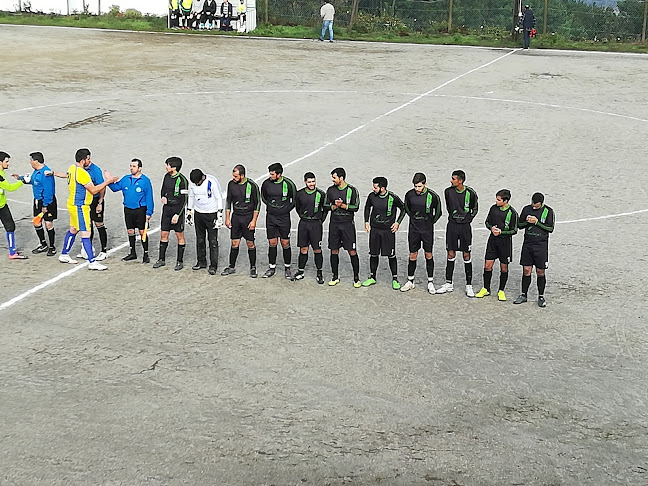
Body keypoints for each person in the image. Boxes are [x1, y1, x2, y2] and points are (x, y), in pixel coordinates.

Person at [58, 148, 117, 270]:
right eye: (88, 159)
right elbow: (94, 190)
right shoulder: (83, 174)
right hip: (81, 206)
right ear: (83, 160)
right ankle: (92, 262)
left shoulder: (71, 168)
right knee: (86, 233)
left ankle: (64, 254)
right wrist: (108, 181)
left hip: (71, 204)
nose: (89, 161)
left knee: (73, 229)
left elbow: (66, 176)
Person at [437, 170, 478, 297]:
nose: (451, 180)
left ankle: (469, 286)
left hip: (465, 227)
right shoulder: (448, 192)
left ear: (460, 181)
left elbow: (475, 209)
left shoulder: (471, 193)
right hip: (452, 226)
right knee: (450, 253)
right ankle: (448, 283)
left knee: (466, 254)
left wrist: (467, 219)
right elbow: (449, 207)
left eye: (453, 179)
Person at [401, 172, 442, 293]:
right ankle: (410, 281)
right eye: (415, 186)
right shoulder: (409, 194)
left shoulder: (433, 196)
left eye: (419, 186)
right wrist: (415, 219)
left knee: (428, 254)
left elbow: (438, 212)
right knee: (412, 254)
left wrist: (429, 223)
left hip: (427, 230)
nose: (417, 189)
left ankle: (430, 282)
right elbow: (407, 209)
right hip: (414, 229)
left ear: (425, 184)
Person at [362, 176, 405, 290]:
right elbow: (367, 207)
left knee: (391, 255)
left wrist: (397, 223)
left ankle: (395, 279)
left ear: (382, 188)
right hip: (375, 230)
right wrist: (366, 222)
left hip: (387, 231)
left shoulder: (393, 197)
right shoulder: (371, 196)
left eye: (375, 187)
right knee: (373, 254)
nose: (373, 189)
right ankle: (372, 277)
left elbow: (404, 208)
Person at [108, 158, 155, 263]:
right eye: (130, 166)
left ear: (140, 168)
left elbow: (149, 197)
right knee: (130, 231)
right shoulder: (126, 179)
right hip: (128, 209)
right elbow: (115, 188)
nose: (131, 168)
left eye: (134, 166)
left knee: (142, 231)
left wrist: (149, 212)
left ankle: (145, 253)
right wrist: (108, 181)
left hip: (140, 210)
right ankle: (132, 252)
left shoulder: (145, 181)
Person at [475, 189, 519, 301]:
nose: (496, 201)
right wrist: (491, 228)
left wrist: (501, 232)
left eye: (499, 200)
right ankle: (486, 288)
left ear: (505, 201)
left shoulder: (512, 213)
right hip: (492, 242)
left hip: (505, 244)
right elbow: (487, 222)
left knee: (504, 268)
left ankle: (501, 290)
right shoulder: (493, 208)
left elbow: (514, 230)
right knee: (487, 266)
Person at [514, 192, 555, 307]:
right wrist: (526, 222)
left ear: (541, 203)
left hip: (541, 246)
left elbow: (550, 228)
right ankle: (523, 295)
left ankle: (541, 296)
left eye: (536, 205)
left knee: (540, 272)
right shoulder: (527, 209)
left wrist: (537, 222)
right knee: (526, 270)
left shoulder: (548, 211)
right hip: (528, 245)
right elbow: (519, 225)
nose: (533, 206)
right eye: (532, 203)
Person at [220, 164, 260, 278]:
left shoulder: (252, 185)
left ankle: (253, 267)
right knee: (234, 243)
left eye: (236, 176)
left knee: (250, 243)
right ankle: (231, 266)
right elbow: (228, 201)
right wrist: (227, 218)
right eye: (233, 176)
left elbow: (257, 204)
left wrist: (254, 221)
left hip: (248, 217)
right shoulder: (231, 184)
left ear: (242, 175)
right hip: (236, 217)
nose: (234, 178)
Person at [16, 152, 58, 256]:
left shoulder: (46, 173)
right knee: (37, 222)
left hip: (47, 201)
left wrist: (45, 205)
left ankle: (52, 247)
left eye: (31, 160)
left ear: (36, 161)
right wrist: (20, 178)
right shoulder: (36, 171)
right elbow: (33, 181)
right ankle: (43, 244)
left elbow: (49, 190)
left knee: (48, 224)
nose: (30, 162)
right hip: (37, 201)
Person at [325, 167, 360, 287]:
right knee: (334, 250)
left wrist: (343, 206)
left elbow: (356, 207)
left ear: (341, 178)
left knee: (352, 251)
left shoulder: (352, 190)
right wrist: (334, 206)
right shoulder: (330, 190)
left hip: (347, 225)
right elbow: (325, 206)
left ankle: (356, 278)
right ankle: (335, 276)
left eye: (334, 177)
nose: (332, 180)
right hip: (334, 224)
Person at [261, 162, 297, 279]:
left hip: (284, 218)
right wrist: (273, 207)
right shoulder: (266, 184)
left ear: (279, 174)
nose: (270, 176)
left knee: (285, 242)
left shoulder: (289, 184)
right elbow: (264, 197)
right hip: (271, 217)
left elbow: (294, 200)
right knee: (272, 242)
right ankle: (272, 267)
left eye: (272, 174)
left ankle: (287, 267)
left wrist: (284, 209)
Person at [153, 157, 189, 271]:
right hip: (167, 210)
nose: (166, 167)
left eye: (168, 165)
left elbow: (184, 200)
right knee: (164, 234)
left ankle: (179, 261)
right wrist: (163, 197)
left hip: (177, 211)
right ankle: (161, 259)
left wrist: (178, 214)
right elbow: (163, 190)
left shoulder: (183, 180)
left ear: (174, 167)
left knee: (179, 235)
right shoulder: (166, 176)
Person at [187, 168, 224, 275]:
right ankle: (201, 261)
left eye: (198, 183)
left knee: (212, 241)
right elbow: (191, 196)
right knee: (200, 239)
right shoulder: (193, 183)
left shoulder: (211, 182)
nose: (196, 185)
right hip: (199, 214)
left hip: (211, 213)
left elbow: (218, 197)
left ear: (202, 178)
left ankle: (213, 265)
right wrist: (189, 211)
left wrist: (219, 215)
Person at [293, 172, 328, 284]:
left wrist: (319, 220)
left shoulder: (321, 194)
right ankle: (300, 271)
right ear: (305, 182)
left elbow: (325, 209)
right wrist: (304, 216)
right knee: (303, 249)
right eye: (309, 182)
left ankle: (319, 272)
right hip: (304, 223)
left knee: (317, 249)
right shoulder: (299, 194)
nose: (312, 184)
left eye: (313, 181)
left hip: (316, 225)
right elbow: (297, 208)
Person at [75, 149, 108, 262]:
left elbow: (102, 187)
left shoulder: (95, 170)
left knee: (99, 224)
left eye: (89, 158)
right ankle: (87, 249)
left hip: (95, 200)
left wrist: (100, 202)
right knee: (87, 225)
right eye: (88, 158)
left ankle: (103, 250)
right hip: (86, 201)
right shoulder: (79, 170)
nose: (90, 160)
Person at [0, 151, 28, 260]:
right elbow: (10, 188)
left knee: (10, 226)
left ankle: (12, 252)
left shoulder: (1, 172)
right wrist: (23, 181)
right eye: (6, 161)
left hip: (2, 205)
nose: (9, 164)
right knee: (10, 226)